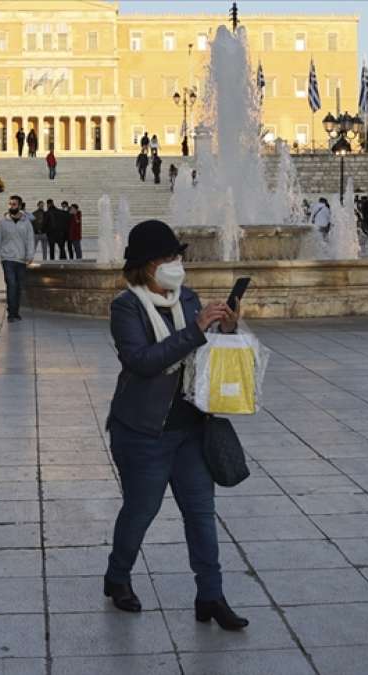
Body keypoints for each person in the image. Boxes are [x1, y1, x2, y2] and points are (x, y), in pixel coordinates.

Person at [103, 219, 248, 631]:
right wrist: (197, 328)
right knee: (141, 510)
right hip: (143, 430)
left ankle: (211, 596)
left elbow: (205, 351)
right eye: (168, 257)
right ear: (148, 266)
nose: (176, 264)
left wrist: (226, 326)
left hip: (191, 427)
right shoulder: (126, 307)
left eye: (177, 256)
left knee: (201, 513)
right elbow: (144, 361)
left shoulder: (187, 299)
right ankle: (117, 577)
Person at [0, 195, 36, 322]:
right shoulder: (2, 222)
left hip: (21, 258)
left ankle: (15, 310)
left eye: (14, 204)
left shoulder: (26, 223)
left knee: (18, 286)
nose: (11, 206)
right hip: (7, 258)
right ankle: (11, 313)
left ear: (19, 206)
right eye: (10, 204)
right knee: (11, 283)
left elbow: (30, 240)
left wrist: (30, 255)